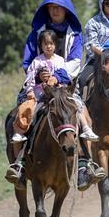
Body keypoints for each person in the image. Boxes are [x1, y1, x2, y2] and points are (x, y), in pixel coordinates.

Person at [16, 0, 104, 190]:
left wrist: (58, 76)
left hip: (66, 86)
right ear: (47, 9)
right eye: (51, 7)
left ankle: (85, 166)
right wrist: (39, 76)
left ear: (66, 10)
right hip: (38, 85)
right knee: (21, 115)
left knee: (82, 114)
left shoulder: (75, 34)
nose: (55, 10)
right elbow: (27, 61)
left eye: (59, 7)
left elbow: (75, 62)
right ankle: (20, 165)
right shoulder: (37, 32)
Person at [6, 29, 97, 182]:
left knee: (76, 106)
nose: (48, 46)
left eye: (51, 43)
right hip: (41, 94)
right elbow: (29, 80)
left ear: (55, 45)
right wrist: (30, 91)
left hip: (59, 94)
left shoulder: (60, 61)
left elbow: (66, 77)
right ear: (40, 45)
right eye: (45, 44)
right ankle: (20, 147)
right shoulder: (37, 62)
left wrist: (60, 83)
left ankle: (85, 129)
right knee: (29, 111)